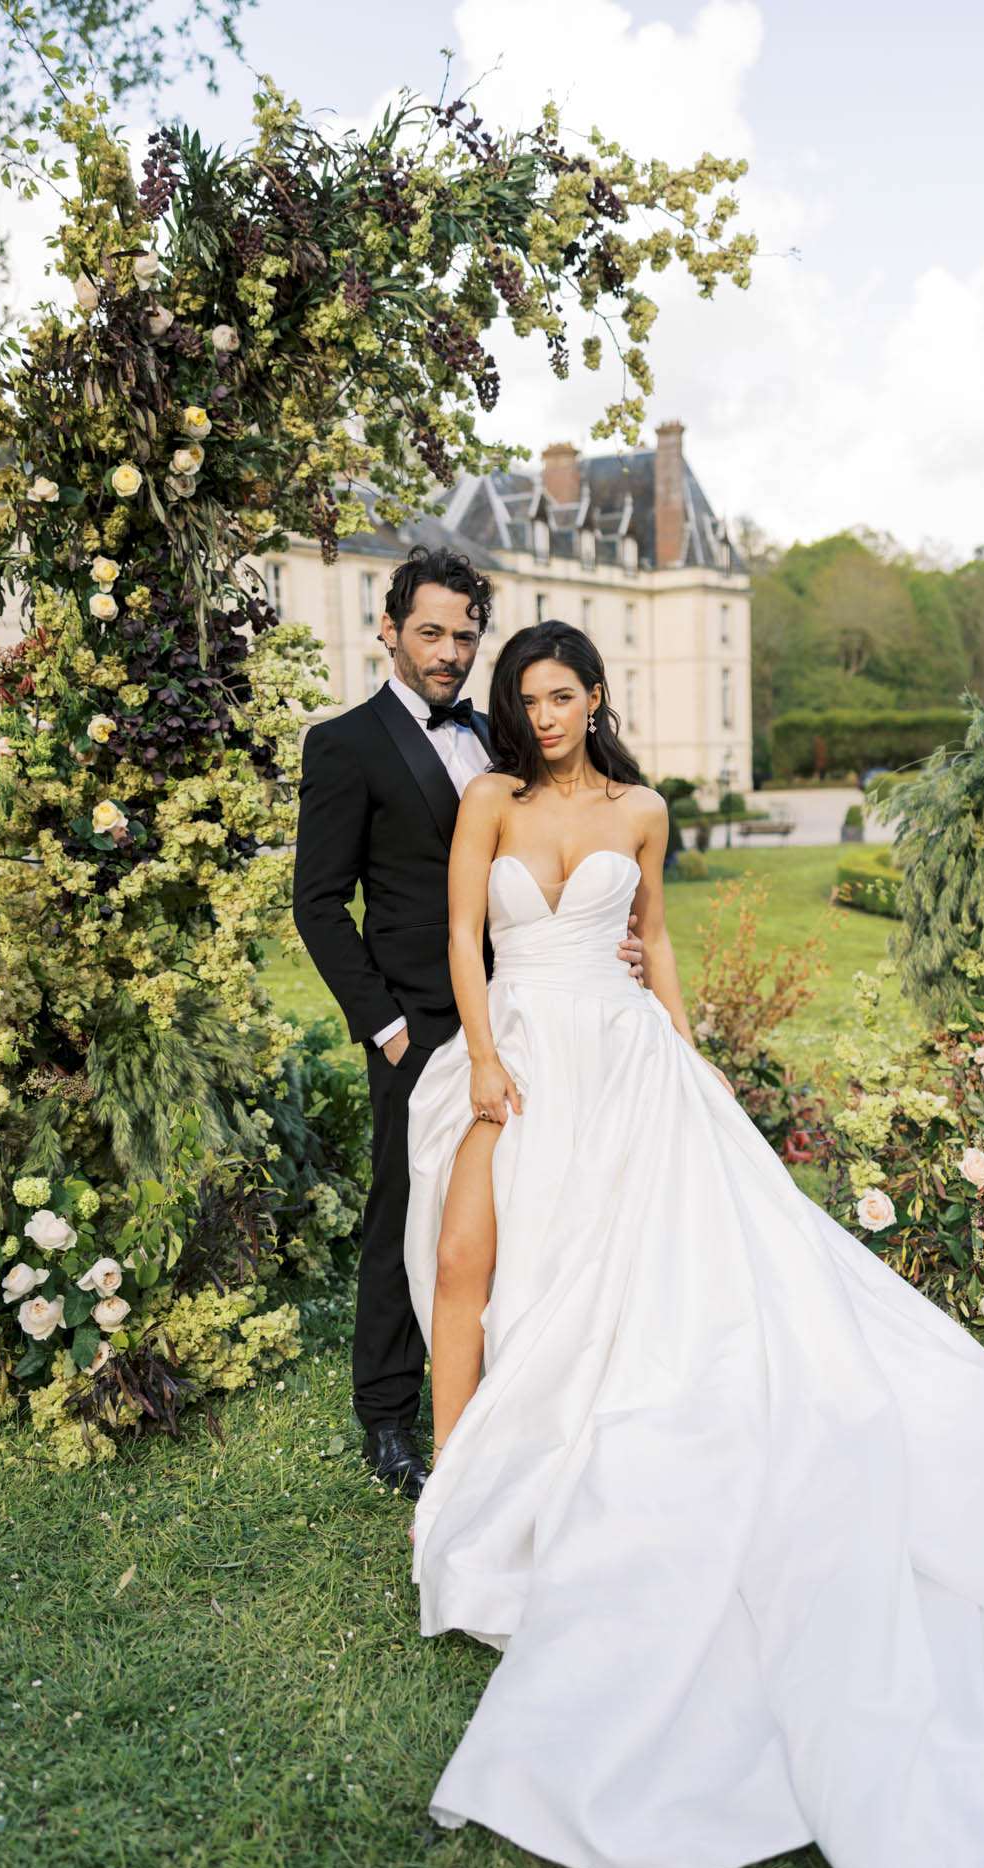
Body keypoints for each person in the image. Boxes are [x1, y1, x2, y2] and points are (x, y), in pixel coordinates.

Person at [402, 618, 984, 1868]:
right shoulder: (486, 801)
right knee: (484, 1262)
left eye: (560, 693)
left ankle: (563, 1452)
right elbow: (467, 941)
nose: (541, 716)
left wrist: (690, 1053)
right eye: (523, 696)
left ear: (594, 696)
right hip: (521, 1052)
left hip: (630, 1063)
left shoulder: (642, 808)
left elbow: (656, 940)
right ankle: (465, 1477)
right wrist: (478, 1055)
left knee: (643, 1286)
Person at [292, 548, 644, 1495]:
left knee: (540, 1203)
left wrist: (612, 942)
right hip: (420, 1023)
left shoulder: (509, 735)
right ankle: (387, 1417)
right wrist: (387, 1029)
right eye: (431, 633)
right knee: (407, 1209)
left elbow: (582, 838)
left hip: (532, 1008)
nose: (449, 652)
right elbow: (319, 904)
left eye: (463, 635)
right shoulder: (344, 744)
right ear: (389, 630)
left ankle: (527, 1385)